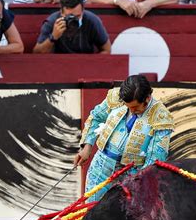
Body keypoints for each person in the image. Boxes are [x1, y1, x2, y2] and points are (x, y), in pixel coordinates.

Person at [74, 74, 174, 202]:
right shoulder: (117, 97)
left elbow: (154, 159)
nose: (131, 111)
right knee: (90, 211)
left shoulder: (161, 116)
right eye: (128, 107)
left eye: (135, 107)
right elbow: (96, 117)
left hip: (132, 175)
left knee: (124, 217)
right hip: (101, 166)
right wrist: (87, 147)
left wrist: (139, 183)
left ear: (148, 98)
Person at [33, 0, 111, 54]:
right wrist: (53, 37)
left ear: (83, 11)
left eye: (78, 16)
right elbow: (37, 53)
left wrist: (91, 64)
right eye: (69, 16)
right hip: (59, 64)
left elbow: (107, 50)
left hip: (85, 63)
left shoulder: (92, 20)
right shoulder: (52, 21)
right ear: (61, 13)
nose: (74, 20)